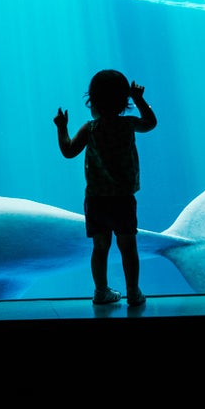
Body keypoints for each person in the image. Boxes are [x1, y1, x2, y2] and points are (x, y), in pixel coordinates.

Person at [54, 69, 158, 306]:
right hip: (122, 198)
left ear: (92, 102)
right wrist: (139, 99)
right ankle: (133, 292)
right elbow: (151, 123)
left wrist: (61, 127)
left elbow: (68, 151)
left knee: (100, 247)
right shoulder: (128, 124)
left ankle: (101, 291)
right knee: (128, 247)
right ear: (125, 101)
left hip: (96, 199)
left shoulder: (89, 129)